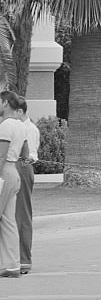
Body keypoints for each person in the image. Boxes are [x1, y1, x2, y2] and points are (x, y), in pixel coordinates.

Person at [0, 91, 26, 277]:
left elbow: (1, 155)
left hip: (4, 172)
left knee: (7, 220)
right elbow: (25, 152)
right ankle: (12, 265)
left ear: (5, 103)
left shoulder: (6, 125)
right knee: (8, 220)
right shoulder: (21, 125)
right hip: (14, 171)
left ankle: (10, 265)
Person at [15, 99, 38, 275]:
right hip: (13, 168)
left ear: (21, 112)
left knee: (22, 214)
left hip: (22, 168)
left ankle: (24, 259)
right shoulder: (14, 127)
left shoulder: (29, 129)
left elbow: (30, 154)